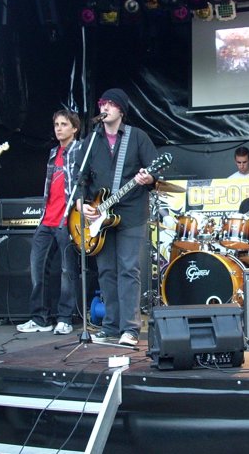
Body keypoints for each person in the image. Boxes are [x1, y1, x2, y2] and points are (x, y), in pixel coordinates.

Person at [76, 88, 157, 347]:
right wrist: (81, 204)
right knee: (106, 271)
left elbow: (155, 171)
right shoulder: (91, 141)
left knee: (128, 270)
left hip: (131, 213)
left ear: (121, 110)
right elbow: (81, 179)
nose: (105, 108)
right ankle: (111, 325)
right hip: (100, 215)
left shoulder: (137, 137)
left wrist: (149, 178)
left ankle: (130, 329)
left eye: (110, 104)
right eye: (102, 103)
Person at [16, 109, 82, 335]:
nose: (59, 128)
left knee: (66, 270)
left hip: (67, 218)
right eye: (56, 124)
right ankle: (40, 318)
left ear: (74, 128)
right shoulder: (54, 152)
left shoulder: (81, 150)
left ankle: (64, 318)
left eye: (64, 124)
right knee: (37, 266)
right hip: (47, 218)